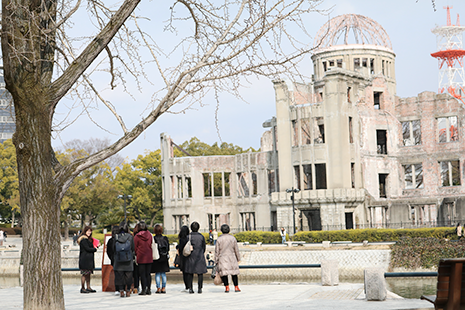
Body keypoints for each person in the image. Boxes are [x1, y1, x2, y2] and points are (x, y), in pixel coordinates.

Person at [215, 224, 241, 293]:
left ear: (221, 230)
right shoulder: (233, 238)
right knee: (234, 273)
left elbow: (216, 251)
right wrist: (238, 258)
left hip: (222, 258)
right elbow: (236, 249)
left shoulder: (219, 239)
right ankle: (236, 287)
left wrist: (216, 260)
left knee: (224, 273)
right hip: (232, 257)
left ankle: (227, 287)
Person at [184, 221, 207, 294]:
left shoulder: (188, 236)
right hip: (199, 256)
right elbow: (204, 247)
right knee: (200, 273)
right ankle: (200, 288)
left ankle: (190, 288)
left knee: (190, 273)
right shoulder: (201, 236)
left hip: (191, 256)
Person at [113, 221, 135, 298]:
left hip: (118, 259)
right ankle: (128, 290)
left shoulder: (116, 237)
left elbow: (113, 248)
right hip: (128, 259)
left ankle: (121, 291)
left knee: (119, 276)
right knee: (128, 276)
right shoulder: (130, 237)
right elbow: (132, 248)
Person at [134, 221, 153, 296]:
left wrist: (136, 254)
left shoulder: (137, 236)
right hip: (149, 256)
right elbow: (151, 243)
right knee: (148, 274)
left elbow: (135, 247)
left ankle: (143, 289)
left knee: (142, 274)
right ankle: (149, 289)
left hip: (141, 257)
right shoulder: (150, 235)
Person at [78, 226, 98, 294]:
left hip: (88, 259)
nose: (89, 232)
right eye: (88, 231)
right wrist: (95, 249)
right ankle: (83, 288)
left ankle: (88, 287)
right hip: (85, 259)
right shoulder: (83, 239)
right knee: (84, 274)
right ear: (85, 231)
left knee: (88, 273)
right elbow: (87, 248)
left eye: (90, 231)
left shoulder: (88, 239)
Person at [152, 224, 170, 293]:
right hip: (164, 257)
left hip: (157, 257)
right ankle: (163, 287)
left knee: (157, 274)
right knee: (163, 273)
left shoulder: (154, 239)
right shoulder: (165, 238)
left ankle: (158, 287)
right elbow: (168, 248)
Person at [106, 226, 121, 296]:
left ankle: (117, 289)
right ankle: (123, 288)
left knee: (117, 275)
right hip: (122, 259)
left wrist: (111, 258)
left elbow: (108, 251)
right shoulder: (121, 239)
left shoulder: (110, 240)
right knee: (123, 274)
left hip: (114, 260)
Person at [177, 225, 190, 292]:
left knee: (184, 273)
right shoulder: (189, 238)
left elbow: (180, 248)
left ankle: (187, 286)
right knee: (189, 272)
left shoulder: (181, 239)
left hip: (183, 257)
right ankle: (190, 285)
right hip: (189, 256)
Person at [132, 223, 141, 294]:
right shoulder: (146, 235)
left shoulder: (134, 236)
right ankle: (146, 287)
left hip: (135, 257)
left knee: (135, 274)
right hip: (143, 256)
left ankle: (135, 287)